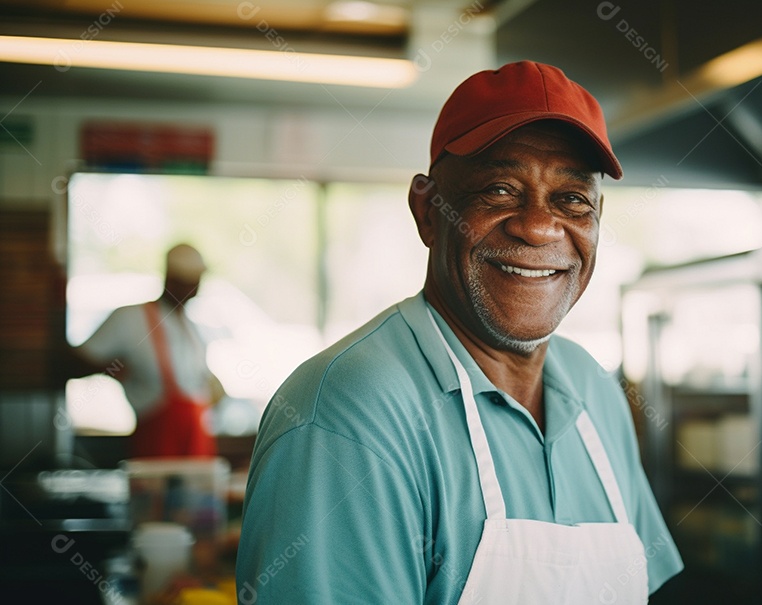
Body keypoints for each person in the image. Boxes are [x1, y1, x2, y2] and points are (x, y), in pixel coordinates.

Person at [237, 61, 683, 603]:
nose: (539, 226)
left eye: (572, 199)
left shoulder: (594, 391)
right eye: (499, 190)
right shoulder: (347, 413)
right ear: (427, 210)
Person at [73, 243, 219, 457]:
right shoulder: (130, 318)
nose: (194, 291)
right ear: (171, 279)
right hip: (156, 447)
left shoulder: (191, 327)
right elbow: (72, 363)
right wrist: (110, 368)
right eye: (188, 284)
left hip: (196, 449)